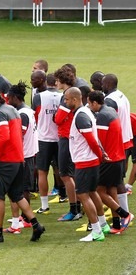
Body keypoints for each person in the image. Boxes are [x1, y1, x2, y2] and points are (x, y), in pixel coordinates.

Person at [0, 89, 45, 243]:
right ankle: (36, 225)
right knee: (16, 195)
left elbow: (4, 136)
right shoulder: (12, 110)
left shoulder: (0, 114)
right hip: (18, 160)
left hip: (5, 161)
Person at [87, 91, 133, 234]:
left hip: (109, 159)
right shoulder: (111, 111)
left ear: (95, 103)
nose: (88, 106)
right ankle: (117, 225)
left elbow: (99, 142)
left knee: (99, 191)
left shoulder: (101, 117)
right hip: (119, 157)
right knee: (111, 190)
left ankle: (125, 215)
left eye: (89, 103)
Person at [64, 87, 107, 241]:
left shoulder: (81, 116)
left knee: (82, 194)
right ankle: (103, 224)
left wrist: (100, 155)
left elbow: (91, 140)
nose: (65, 101)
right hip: (89, 160)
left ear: (75, 99)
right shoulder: (85, 112)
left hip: (85, 161)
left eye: (67, 99)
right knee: (92, 192)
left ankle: (96, 231)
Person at [5, 81, 39, 233]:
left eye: (9, 98)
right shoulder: (28, 110)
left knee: (23, 188)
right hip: (29, 152)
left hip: (24, 155)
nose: (7, 100)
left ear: (15, 98)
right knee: (22, 187)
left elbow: (20, 134)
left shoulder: (23, 114)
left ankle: (26, 219)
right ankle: (24, 217)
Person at [32, 73, 63, 215]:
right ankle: (65, 196)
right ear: (56, 83)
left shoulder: (39, 97)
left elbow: (35, 116)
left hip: (44, 138)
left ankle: (44, 206)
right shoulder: (63, 96)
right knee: (62, 170)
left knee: (42, 171)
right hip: (59, 138)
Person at [54, 66, 82, 221]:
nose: (55, 83)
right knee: (72, 174)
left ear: (62, 81)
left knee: (65, 174)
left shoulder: (67, 96)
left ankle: (74, 209)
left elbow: (58, 119)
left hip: (66, 137)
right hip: (71, 137)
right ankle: (78, 206)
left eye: (57, 80)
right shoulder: (73, 94)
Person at [102, 73, 133, 214]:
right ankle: (118, 208)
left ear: (107, 84)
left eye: (103, 84)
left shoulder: (109, 101)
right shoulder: (121, 95)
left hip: (117, 144)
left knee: (116, 181)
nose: (102, 86)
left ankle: (124, 212)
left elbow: (108, 121)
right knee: (117, 179)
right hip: (126, 139)